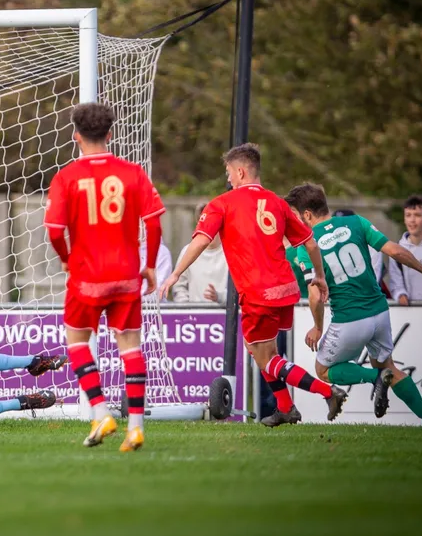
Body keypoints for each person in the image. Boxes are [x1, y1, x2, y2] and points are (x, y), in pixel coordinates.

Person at [160, 143, 347, 427]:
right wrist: (319, 276)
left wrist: (176, 274)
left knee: (266, 359)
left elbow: (199, 241)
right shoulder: (278, 203)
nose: (228, 180)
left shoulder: (223, 203)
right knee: (263, 351)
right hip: (284, 289)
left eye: (229, 173)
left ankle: (328, 392)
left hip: (257, 292)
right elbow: (309, 242)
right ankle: (285, 408)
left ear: (240, 171)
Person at [44, 102, 164, 452]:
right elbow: (154, 221)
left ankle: (101, 411)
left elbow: (53, 231)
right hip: (127, 275)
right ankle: (137, 428)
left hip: (86, 277)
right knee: (130, 347)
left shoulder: (66, 177)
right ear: (110, 134)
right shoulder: (132, 173)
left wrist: (66, 259)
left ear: (76, 136)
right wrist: (151, 264)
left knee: (77, 342)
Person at [285, 183, 422, 430]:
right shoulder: (356, 222)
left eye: (295, 216)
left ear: (306, 215)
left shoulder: (307, 245)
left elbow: (315, 296)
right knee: (389, 366)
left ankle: (375, 377)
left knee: (323, 369)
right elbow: (394, 250)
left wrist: (317, 327)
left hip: (349, 318)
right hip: (380, 312)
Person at [171, 203, 229, 304]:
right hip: (194, 316)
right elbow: (179, 286)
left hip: (225, 315)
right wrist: (187, 308)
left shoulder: (231, 253)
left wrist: (220, 297)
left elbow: (239, 291)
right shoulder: (187, 252)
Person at [332, 209, 385, 286]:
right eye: (336, 225)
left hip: (366, 294)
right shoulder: (330, 247)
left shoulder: (370, 247)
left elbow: (374, 279)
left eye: (343, 225)